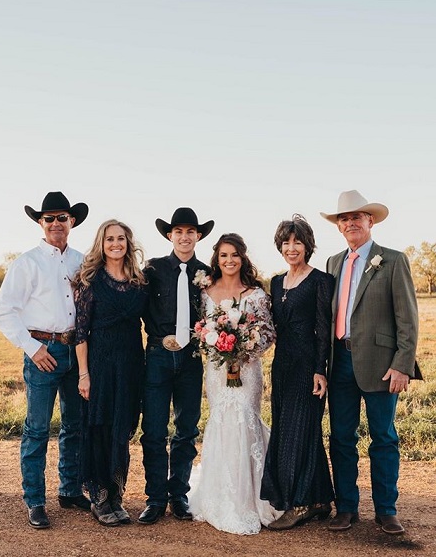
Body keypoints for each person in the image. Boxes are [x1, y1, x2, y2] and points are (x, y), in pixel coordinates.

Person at [320, 190, 419, 535]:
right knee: (341, 438)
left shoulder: (392, 260)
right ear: (339, 227)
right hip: (340, 362)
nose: (350, 223)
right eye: (344, 219)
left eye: (356, 217)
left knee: (384, 438)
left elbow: (408, 317)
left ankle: (386, 510)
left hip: (381, 364)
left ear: (370, 221)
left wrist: (402, 364)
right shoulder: (333, 263)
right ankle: (346, 508)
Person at [0, 191, 91, 529]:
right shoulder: (27, 263)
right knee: (37, 430)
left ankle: (69, 490)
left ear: (72, 221)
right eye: (48, 218)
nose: (55, 223)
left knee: (74, 426)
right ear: (40, 222)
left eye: (61, 217)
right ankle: (35, 499)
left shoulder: (83, 261)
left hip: (75, 350)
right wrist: (33, 349)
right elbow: (4, 313)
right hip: (42, 352)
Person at [187, 233, 281, 535]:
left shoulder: (255, 294)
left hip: (248, 370)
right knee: (222, 421)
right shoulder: (205, 291)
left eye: (235, 255)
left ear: (243, 258)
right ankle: (220, 496)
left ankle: (253, 497)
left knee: (244, 420)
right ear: (217, 258)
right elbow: (200, 329)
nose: (229, 260)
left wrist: (245, 350)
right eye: (224, 255)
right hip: (216, 371)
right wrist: (215, 347)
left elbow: (268, 332)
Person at [138, 207, 214, 525]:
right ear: (170, 236)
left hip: (191, 358)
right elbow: (140, 308)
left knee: (186, 429)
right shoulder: (153, 269)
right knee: (154, 430)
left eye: (190, 232)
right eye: (178, 232)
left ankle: (178, 496)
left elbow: (215, 313)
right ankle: (155, 498)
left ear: (198, 236)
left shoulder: (207, 272)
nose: (184, 237)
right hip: (157, 354)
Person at [260, 214, 335, 530]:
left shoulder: (321, 281)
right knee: (291, 430)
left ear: (308, 245)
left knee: (298, 432)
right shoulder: (276, 282)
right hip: (282, 367)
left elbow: (323, 328)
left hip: (308, 368)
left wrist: (321, 370)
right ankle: (319, 501)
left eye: (298, 242)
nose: (292, 247)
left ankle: (299, 503)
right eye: (287, 242)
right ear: (280, 246)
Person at [73, 219, 148, 526]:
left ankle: (117, 496)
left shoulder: (139, 283)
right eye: (109, 239)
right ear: (101, 245)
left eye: (121, 238)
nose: (116, 243)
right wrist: (83, 374)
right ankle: (100, 498)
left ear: (128, 243)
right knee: (100, 430)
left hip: (131, 365)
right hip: (100, 366)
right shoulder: (90, 281)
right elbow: (81, 333)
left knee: (122, 431)